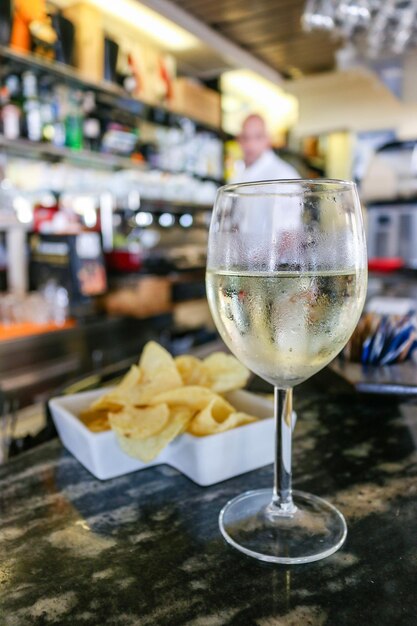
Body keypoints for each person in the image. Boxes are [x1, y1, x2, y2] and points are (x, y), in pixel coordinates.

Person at [234, 114, 299, 183]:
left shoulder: (285, 177)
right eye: (245, 137)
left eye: (258, 136)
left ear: (268, 139)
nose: (250, 144)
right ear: (238, 140)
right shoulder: (237, 168)